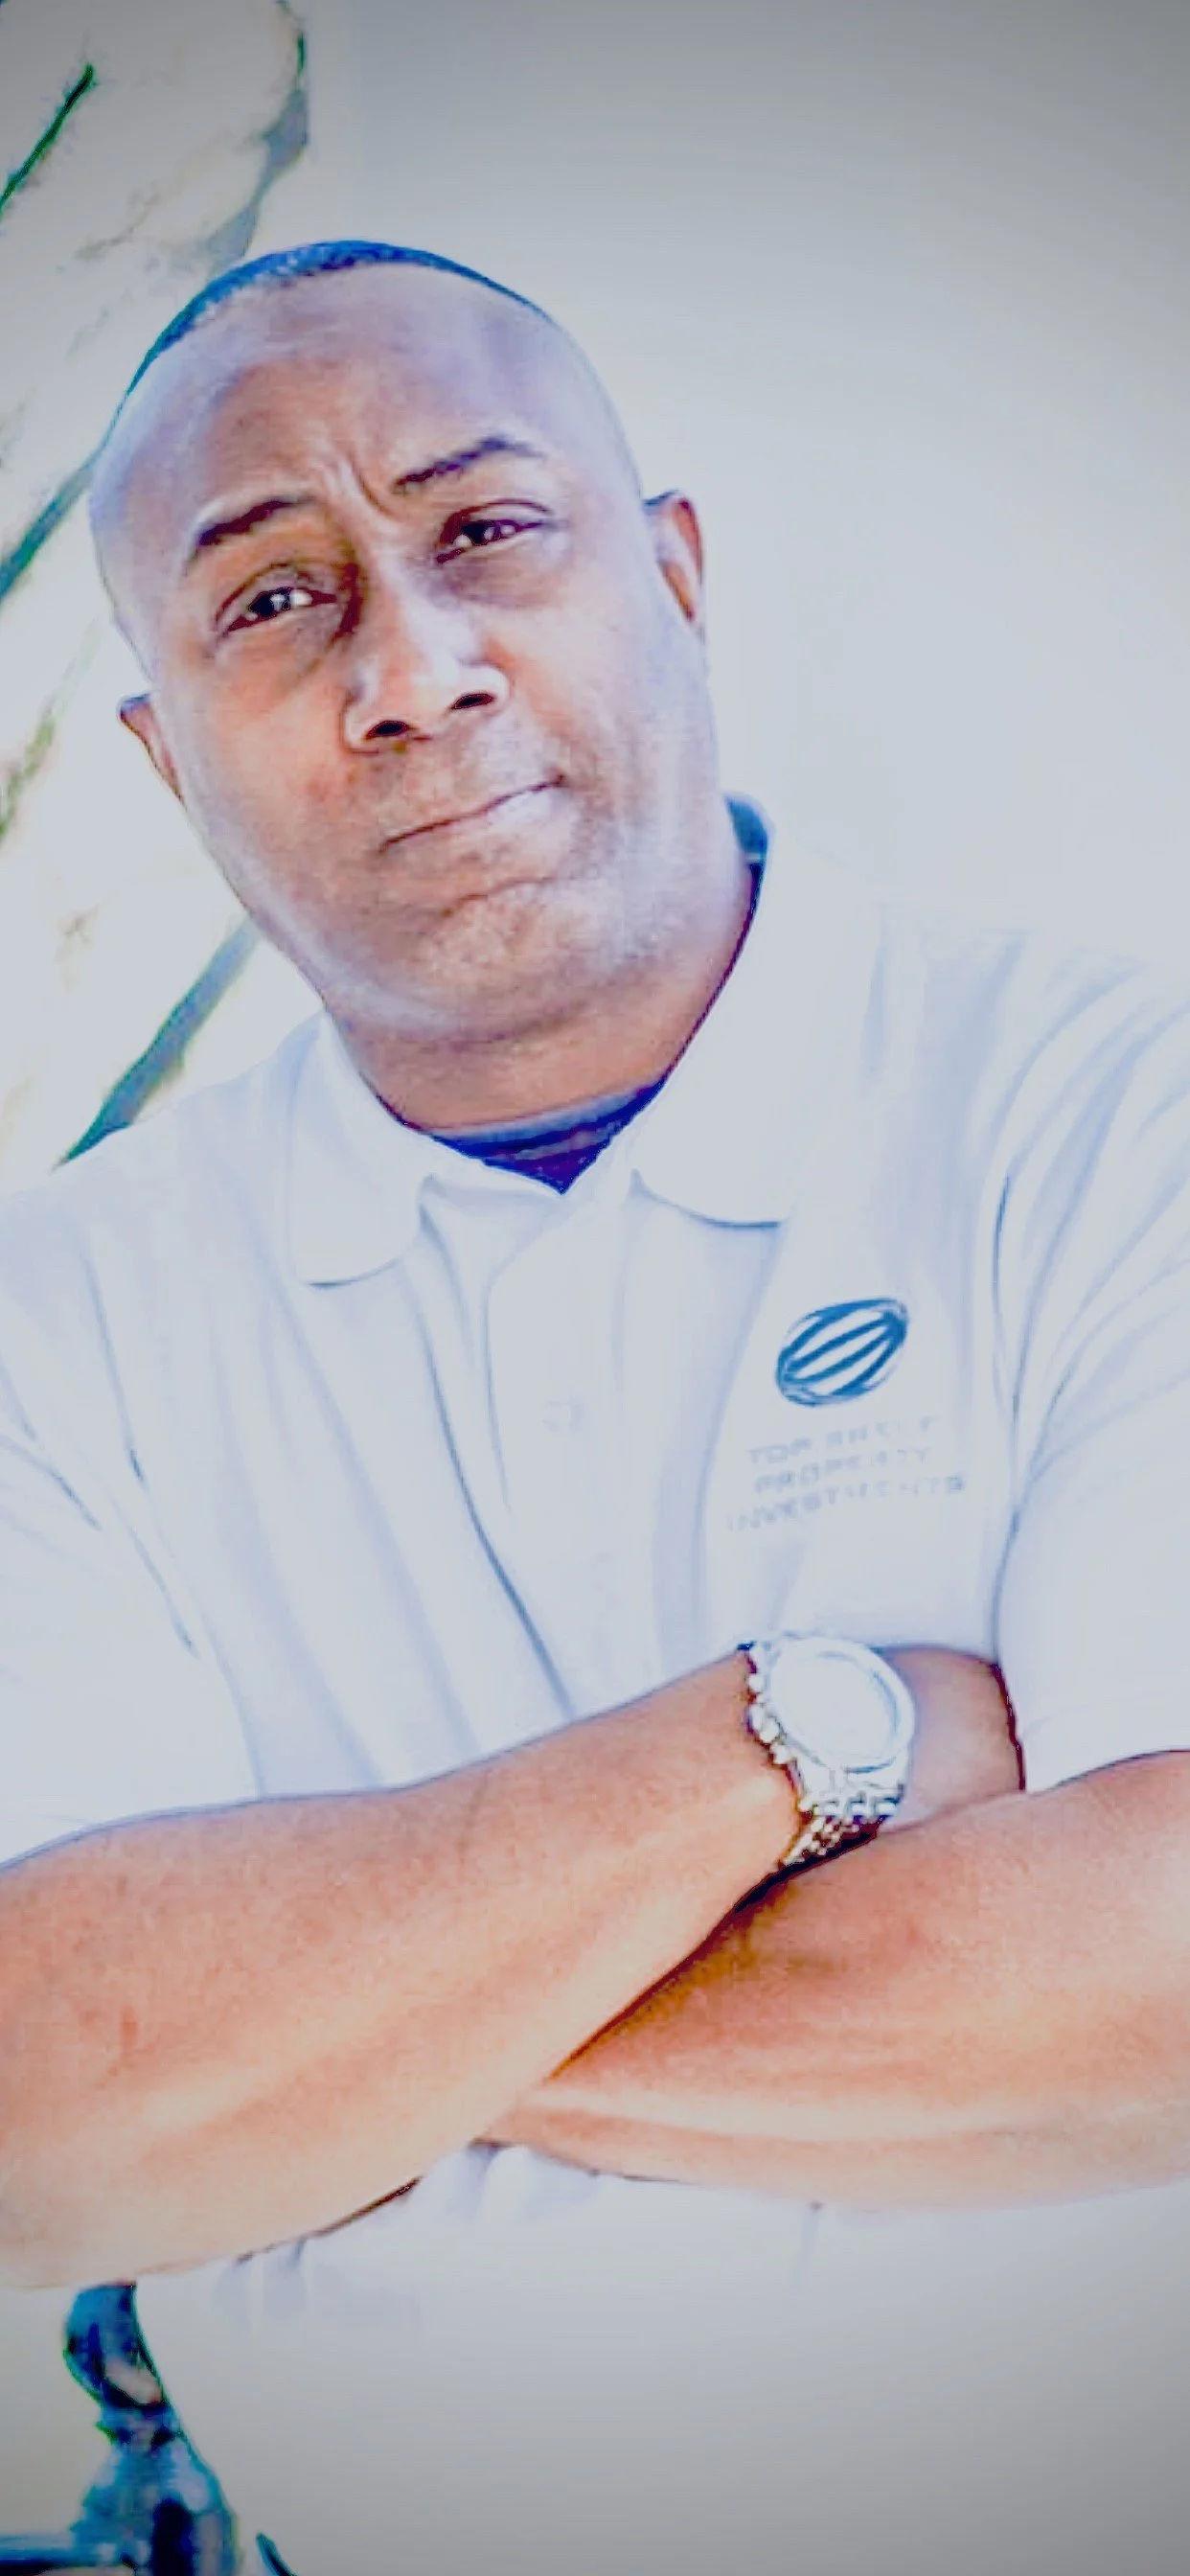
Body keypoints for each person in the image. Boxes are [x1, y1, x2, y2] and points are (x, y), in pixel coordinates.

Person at [3, 238, 1190, 2576]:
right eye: (270, 602)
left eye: (485, 533)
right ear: (160, 750)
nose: (410, 671)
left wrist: (283, 2053)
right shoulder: (58, 1315)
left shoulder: (1113, 1116)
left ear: (673, 572)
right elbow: (35, 2129)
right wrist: (803, 1733)